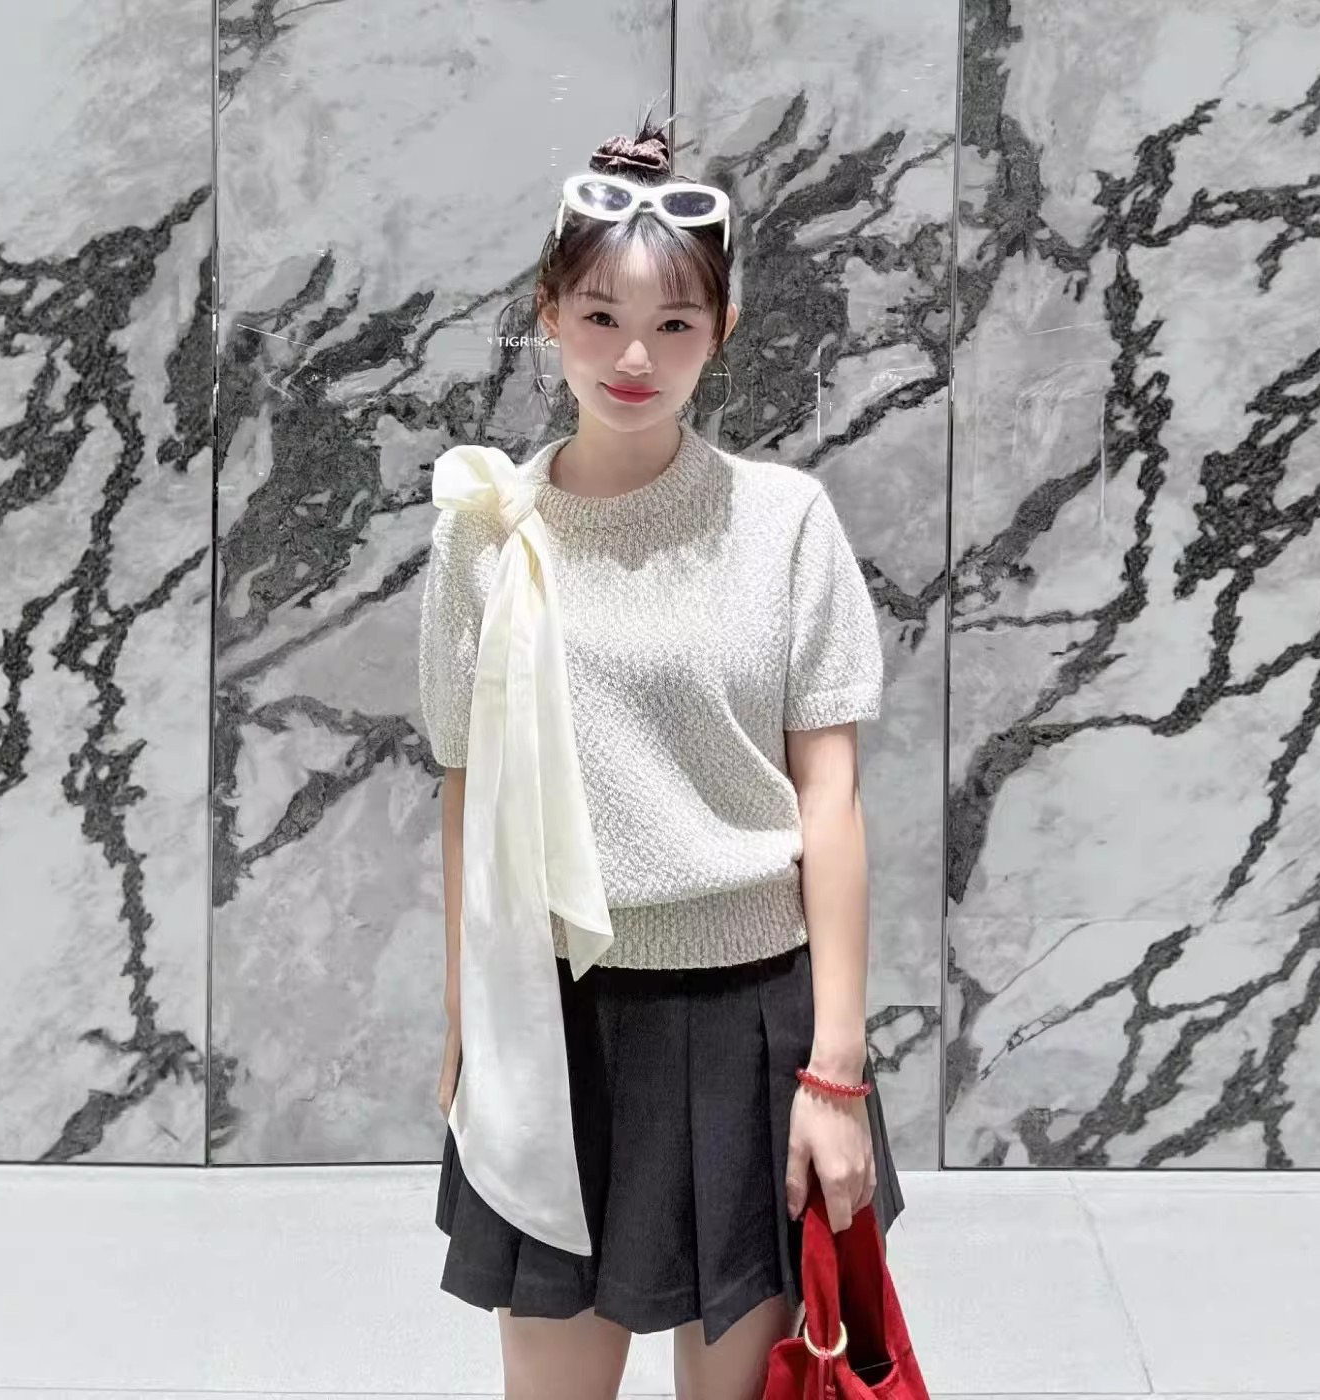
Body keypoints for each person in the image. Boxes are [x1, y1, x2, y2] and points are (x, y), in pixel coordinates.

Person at [418, 107, 904, 1400]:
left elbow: (832, 798)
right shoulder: (488, 530)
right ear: (547, 314)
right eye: (600, 316)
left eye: (675, 324)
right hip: (553, 1019)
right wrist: (467, 1026)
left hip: (748, 1021)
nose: (635, 356)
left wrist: (836, 1073)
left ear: (722, 330)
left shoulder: (784, 521)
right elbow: (466, 786)